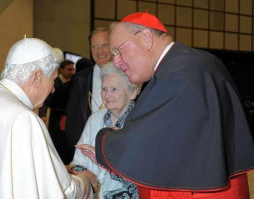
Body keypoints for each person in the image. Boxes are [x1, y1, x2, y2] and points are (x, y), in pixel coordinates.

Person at [94, 11, 254, 198]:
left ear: (146, 38)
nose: (117, 62)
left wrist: (105, 139)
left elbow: (143, 144)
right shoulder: (196, 62)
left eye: (118, 50)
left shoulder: (178, 73)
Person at [0, 38, 97, 199]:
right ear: (36, 77)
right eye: (52, 80)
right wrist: (84, 180)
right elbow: (59, 192)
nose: (53, 89)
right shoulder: (23, 119)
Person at [70, 62, 139, 198]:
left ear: (133, 92)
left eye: (114, 89)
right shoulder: (95, 120)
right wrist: (87, 175)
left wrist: (105, 162)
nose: (107, 95)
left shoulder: (141, 123)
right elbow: (77, 163)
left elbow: (141, 178)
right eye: (104, 89)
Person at [65, 27, 112, 164]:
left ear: (113, 46)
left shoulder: (125, 75)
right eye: (95, 46)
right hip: (85, 150)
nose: (100, 51)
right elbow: (72, 119)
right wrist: (78, 147)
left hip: (116, 148)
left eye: (105, 45)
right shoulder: (80, 79)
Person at [39, 59, 75, 164]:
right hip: (56, 120)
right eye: (69, 69)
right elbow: (45, 100)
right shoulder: (54, 83)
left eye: (73, 69)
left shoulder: (73, 83)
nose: (72, 72)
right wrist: (43, 115)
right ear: (61, 70)